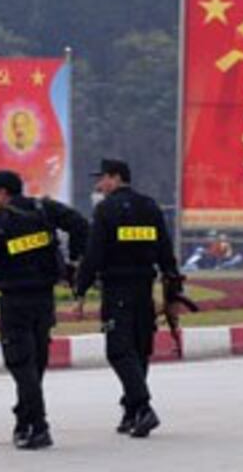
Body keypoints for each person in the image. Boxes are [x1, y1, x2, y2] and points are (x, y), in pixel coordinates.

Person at [0, 170, 88, 450]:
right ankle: (24, 420)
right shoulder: (43, 209)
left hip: (15, 302)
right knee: (34, 364)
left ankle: (38, 427)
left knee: (21, 364)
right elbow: (80, 224)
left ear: (2, 193)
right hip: (44, 300)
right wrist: (74, 261)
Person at [75, 158, 182, 438]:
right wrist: (173, 288)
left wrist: (80, 290)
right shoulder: (149, 206)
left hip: (117, 290)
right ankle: (132, 411)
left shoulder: (106, 209)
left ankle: (143, 407)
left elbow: (94, 254)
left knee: (119, 351)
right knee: (139, 348)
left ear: (115, 177)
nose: (100, 185)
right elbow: (165, 250)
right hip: (144, 289)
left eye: (102, 179)